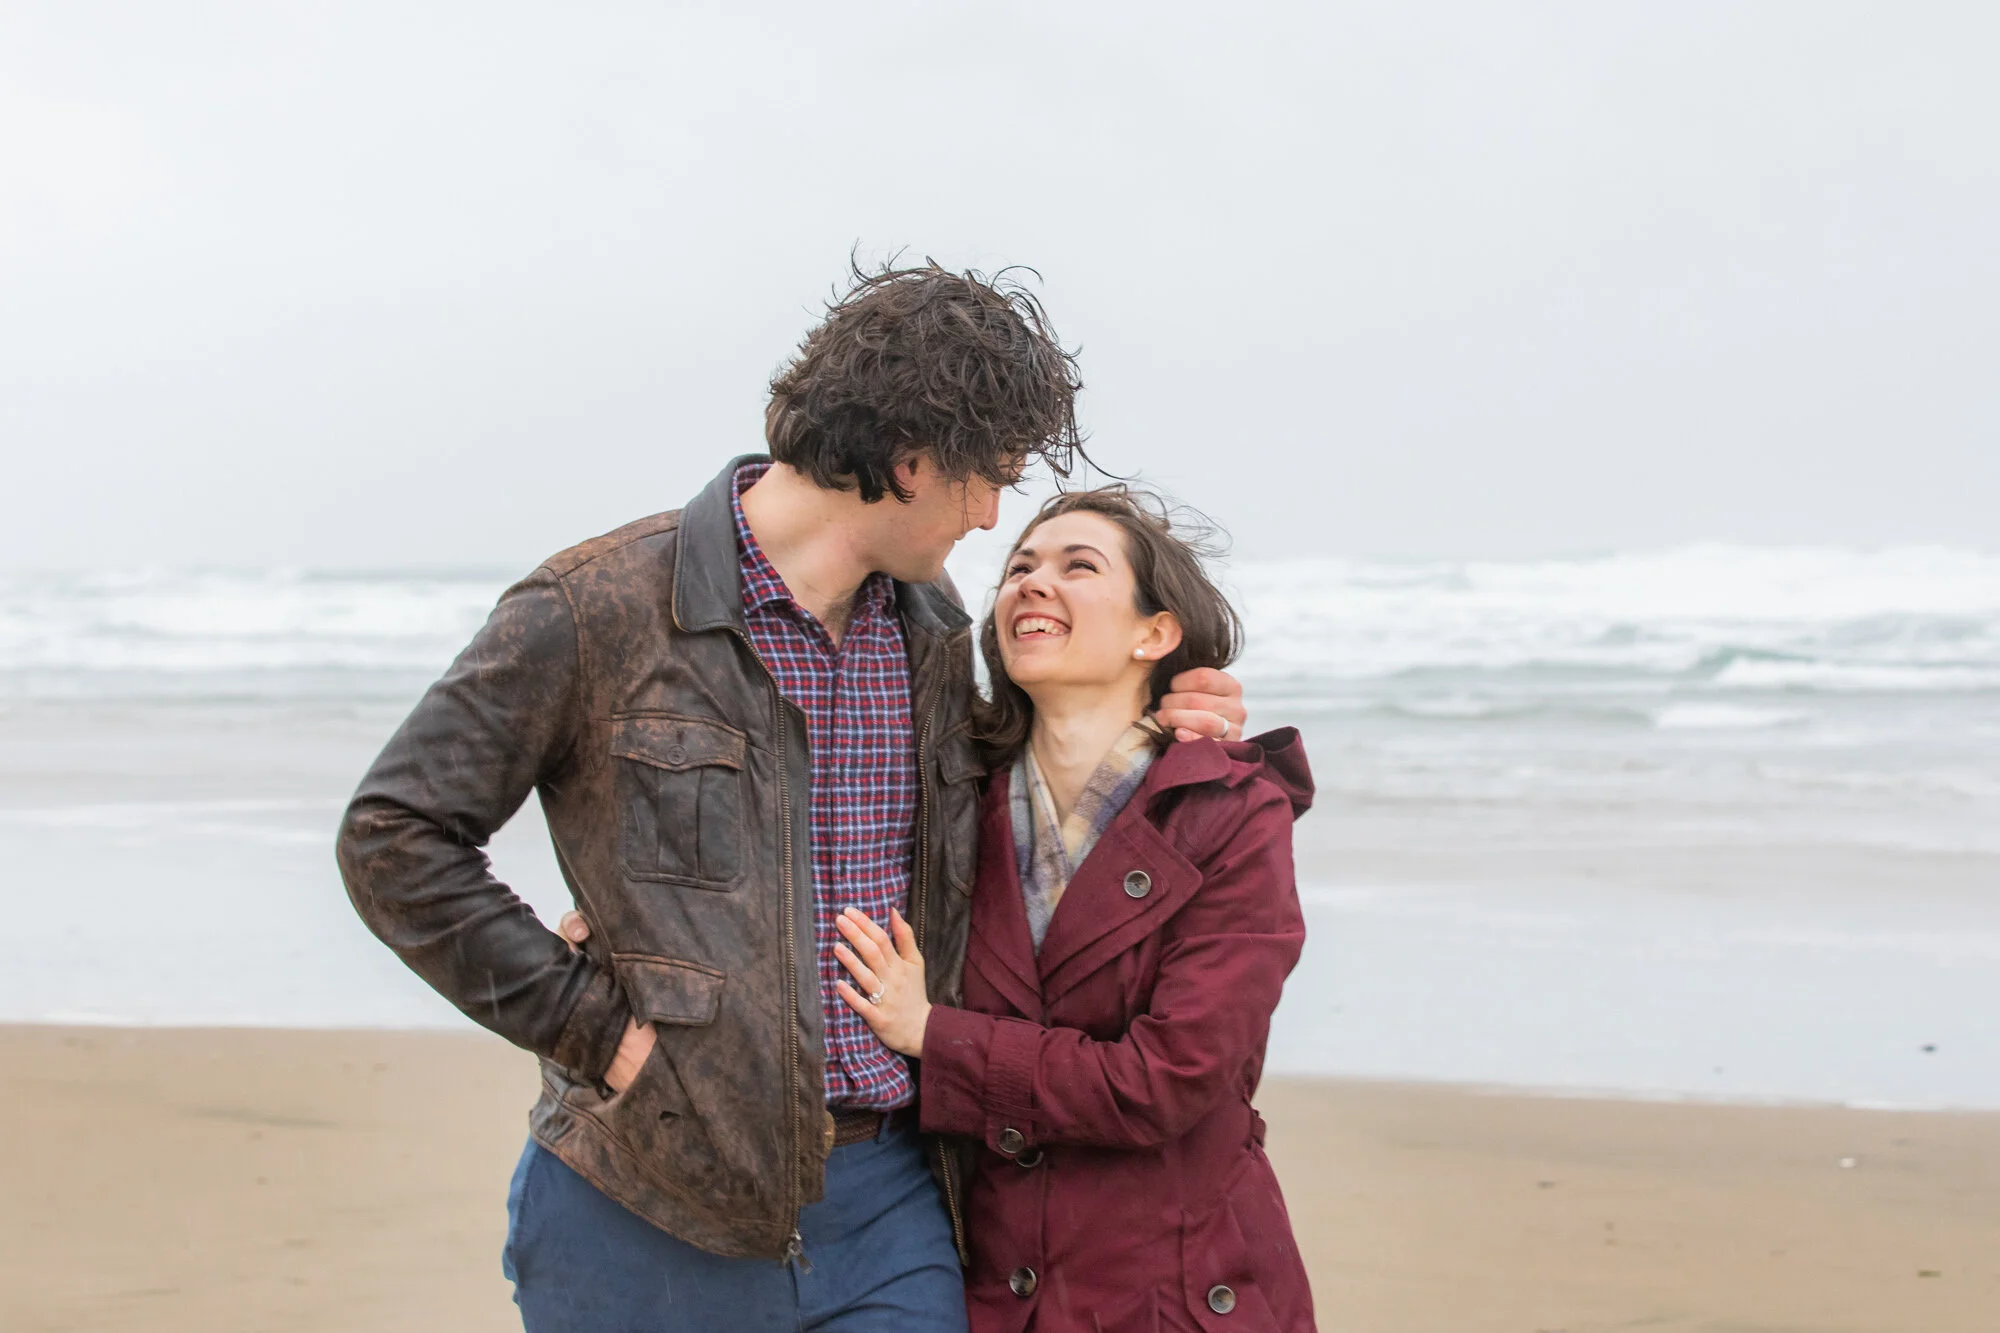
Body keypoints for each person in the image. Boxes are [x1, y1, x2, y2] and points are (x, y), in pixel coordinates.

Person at [334, 262, 1247, 1333]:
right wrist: (595, 1027)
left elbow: (1022, 786)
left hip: (891, 1202)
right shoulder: (597, 605)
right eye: (984, 479)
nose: (993, 514)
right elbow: (393, 837)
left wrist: (1156, 719)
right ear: (908, 465)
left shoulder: (937, 630)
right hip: (643, 1203)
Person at [827, 486, 1316, 1332]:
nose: (1032, 583)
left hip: (1181, 1294)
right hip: (998, 1295)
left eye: (1077, 566)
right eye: (1019, 568)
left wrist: (934, 1034)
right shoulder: (953, 802)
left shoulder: (1233, 812)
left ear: (1154, 633)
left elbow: (1167, 1081)